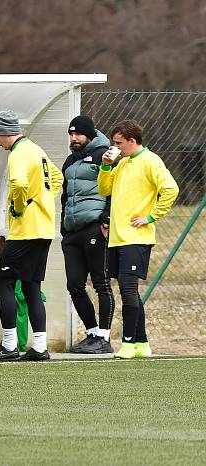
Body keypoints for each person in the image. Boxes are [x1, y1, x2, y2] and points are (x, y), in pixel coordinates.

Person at [0, 110, 63, 362]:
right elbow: (58, 178)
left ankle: (9, 345)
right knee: (31, 286)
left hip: (25, 230)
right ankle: (39, 346)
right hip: (44, 229)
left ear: (5, 133)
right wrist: (43, 201)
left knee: (4, 280)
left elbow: (17, 183)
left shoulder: (18, 153)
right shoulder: (37, 150)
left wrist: (20, 206)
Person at [98, 120, 178, 359]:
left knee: (128, 288)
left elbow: (171, 189)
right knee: (127, 289)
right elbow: (104, 190)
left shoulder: (151, 161)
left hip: (136, 238)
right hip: (118, 238)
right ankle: (142, 343)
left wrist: (151, 217)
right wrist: (105, 166)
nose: (115, 147)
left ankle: (128, 343)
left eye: (119, 143)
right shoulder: (122, 163)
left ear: (132, 141)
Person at [61, 116, 115, 354]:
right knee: (74, 285)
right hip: (72, 232)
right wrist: (64, 228)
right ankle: (92, 333)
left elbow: (114, 189)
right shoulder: (70, 161)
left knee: (101, 283)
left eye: (79, 134)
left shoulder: (105, 155)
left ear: (90, 135)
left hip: (95, 226)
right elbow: (65, 197)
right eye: (71, 134)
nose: (74, 138)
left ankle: (104, 337)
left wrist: (106, 219)